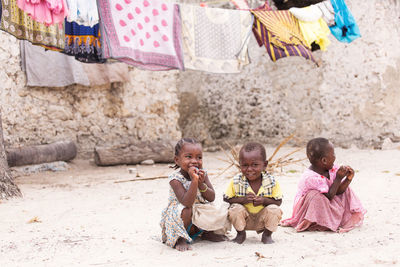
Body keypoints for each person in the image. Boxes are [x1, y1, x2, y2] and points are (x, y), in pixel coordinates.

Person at [281, 137, 366, 232]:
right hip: (310, 208)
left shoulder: (332, 169)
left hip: (330, 202)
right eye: (333, 154)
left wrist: (348, 179)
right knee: (316, 196)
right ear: (324, 160)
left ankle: (335, 220)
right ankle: (318, 222)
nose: (335, 157)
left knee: (347, 189)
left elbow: (338, 192)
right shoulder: (310, 178)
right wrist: (338, 178)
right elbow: (329, 196)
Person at [160, 138, 226, 251]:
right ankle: (180, 238)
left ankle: (206, 232)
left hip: (198, 212)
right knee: (187, 210)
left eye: (199, 157)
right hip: (180, 216)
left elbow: (211, 197)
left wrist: (201, 184)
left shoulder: (203, 174)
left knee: (212, 209)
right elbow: (186, 202)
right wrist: (194, 182)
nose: (195, 161)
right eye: (189, 157)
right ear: (177, 160)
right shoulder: (175, 179)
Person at [223, 142, 283, 244]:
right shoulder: (236, 181)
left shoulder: (271, 182)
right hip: (244, 221)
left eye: (255, 165)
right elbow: (226, 199)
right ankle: (241, 234)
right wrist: (243, 200)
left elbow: (278, 202)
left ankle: (267, 235)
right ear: (239, 165)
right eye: (245, 165)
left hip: (262, 220)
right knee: (235, 208)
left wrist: (264, 200)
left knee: (275, 210)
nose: (249, 169)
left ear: (264, 165)